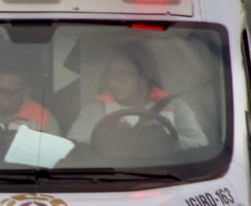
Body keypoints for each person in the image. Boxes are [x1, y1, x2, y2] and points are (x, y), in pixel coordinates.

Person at [67, 50, 209, 149]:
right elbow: (72, 144)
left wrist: (167, 139)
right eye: (109, 76)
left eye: (121, 75)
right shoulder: (96, 109)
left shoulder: (175, 106)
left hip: (167, 179)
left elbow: (201, 144)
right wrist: (107, 136)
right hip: (112, 179)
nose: (112, 83)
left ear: (144, 75)